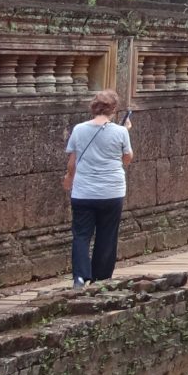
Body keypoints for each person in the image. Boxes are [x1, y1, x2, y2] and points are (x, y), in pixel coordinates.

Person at [64, 90, 133, 285]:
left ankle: (80, 276)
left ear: (93, 108)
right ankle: (101, 278)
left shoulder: (79, 129)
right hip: (112, 191)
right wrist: (125, 131)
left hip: (84, 191)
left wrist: (69, 178)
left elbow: (72, 161)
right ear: (113, 110)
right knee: (107, 234)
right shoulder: (120, 132)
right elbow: (127, 159)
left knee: (81, 235)